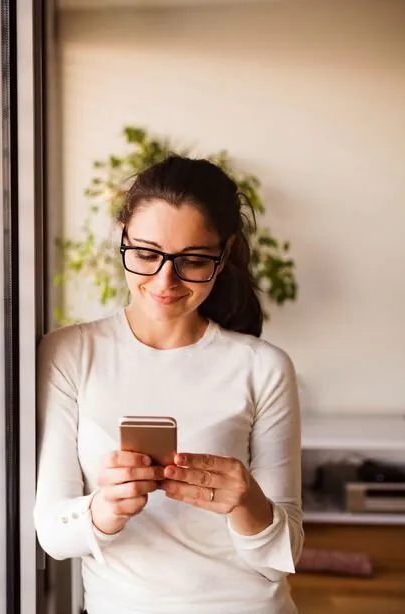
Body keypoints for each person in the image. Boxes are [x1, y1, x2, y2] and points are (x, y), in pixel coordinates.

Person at [34, 155, 303, 613]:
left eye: (193, 261)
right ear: (122, 237)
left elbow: (284, 556)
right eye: (145, 254)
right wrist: (106, 509)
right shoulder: (69, 354)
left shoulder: (264, 367)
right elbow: (54, 535)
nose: (165, 281)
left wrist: (245, 501)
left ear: (224, 255)